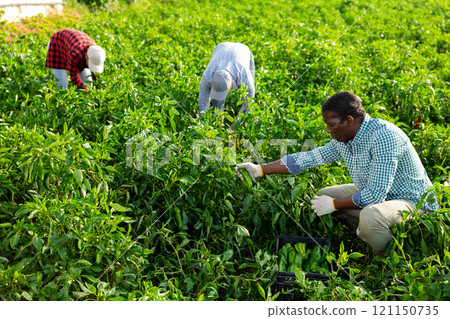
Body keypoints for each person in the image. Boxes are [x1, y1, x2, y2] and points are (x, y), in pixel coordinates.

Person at [236, 91, 439, 256]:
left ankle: (388, 261)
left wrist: (333, 205)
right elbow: (309, 158)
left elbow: (375, 196)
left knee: (370, 215)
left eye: (331, 125)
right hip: (381, 196)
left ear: (349, 120)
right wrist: (259, 169)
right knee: (325, 195)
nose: (327, 130)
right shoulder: (346, 139)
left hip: (413, 201)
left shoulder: (385, 137)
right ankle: (367, 234)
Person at [199, 42, 255, 117]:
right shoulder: (207, 76)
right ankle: (218, 118)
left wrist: (233, 128)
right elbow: (203, 105)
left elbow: (248, 105)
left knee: (245, 100)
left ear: (232, 83)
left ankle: (237, 112)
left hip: (243, 51)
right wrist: (204, 119)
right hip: (221, 48)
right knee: (217, 102)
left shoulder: (244, 76)